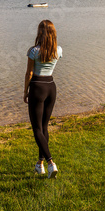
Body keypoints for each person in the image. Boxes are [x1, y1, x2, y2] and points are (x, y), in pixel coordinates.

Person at [23, 19, 62, 179]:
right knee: (44, 128)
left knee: (37, 129)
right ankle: (40, 165)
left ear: (40, 33)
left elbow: (29, 73)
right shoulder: (58, 50)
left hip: (37, 87)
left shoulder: (33, 51)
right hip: (51, 87)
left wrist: (25, 91)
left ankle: (50, 162)